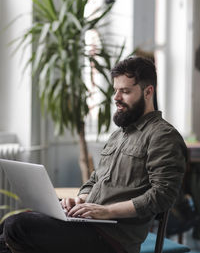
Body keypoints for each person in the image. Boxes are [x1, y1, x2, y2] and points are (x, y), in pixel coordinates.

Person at [0, 56, 187, 253]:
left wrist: (106, 211)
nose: (116, 97)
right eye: (115, 90)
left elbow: (163, 196)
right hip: (87, 225)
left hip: (112, 239)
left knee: (17, 226)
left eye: (125, 91)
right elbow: (95, 179)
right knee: (5, 232)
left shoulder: (163, 136)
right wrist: (80, 199)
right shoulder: (118, 135)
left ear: (148, 92)